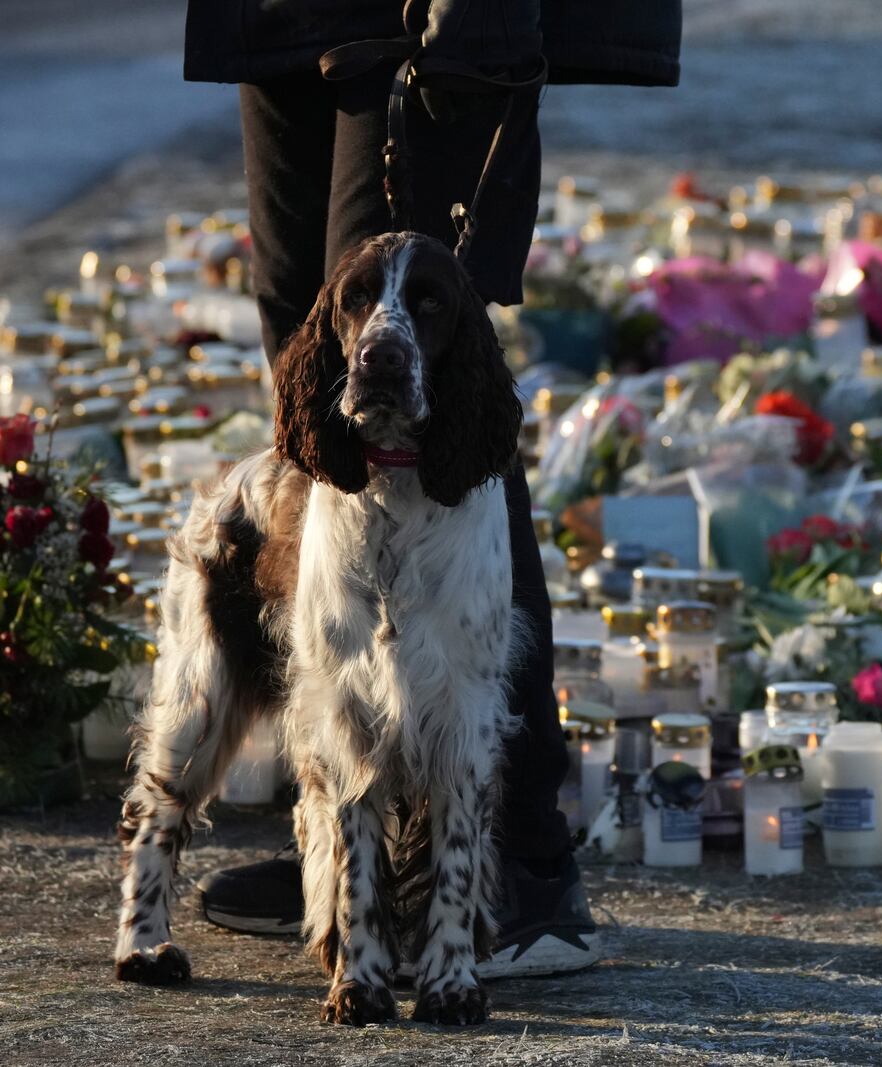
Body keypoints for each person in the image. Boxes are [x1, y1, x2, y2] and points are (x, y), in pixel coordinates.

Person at [183, 0, 681, 977]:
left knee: (438, 387)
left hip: (431, 19)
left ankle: (515, 854)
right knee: (318, 378)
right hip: (284, 17)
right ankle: (355, 838)